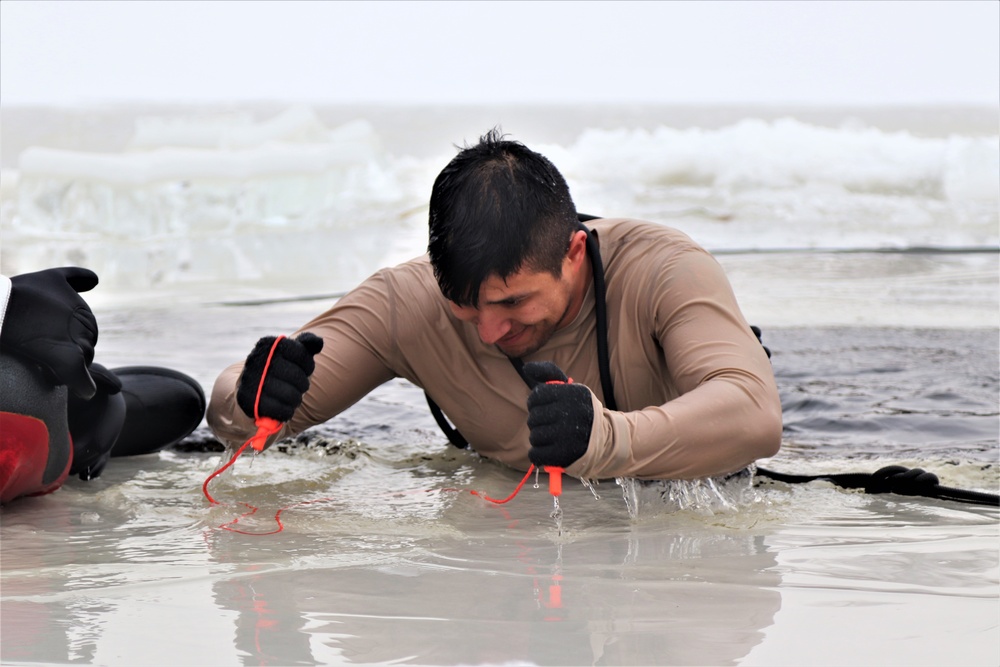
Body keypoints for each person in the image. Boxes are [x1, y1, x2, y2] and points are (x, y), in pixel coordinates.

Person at [208, 129, 782, 481]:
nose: (487, 331)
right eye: (465, 304)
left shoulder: (664, 268)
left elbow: (755, 416)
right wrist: (256, 389)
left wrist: (603, 440)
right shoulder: (407, 302)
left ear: (575, 252)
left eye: (514, 301)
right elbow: (237, 417)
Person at [1, 267, 206, 504]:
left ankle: (77, 417)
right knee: (179, 396)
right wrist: (12, 302)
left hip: (30, 415)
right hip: (36, 428)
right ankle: (79, 428)